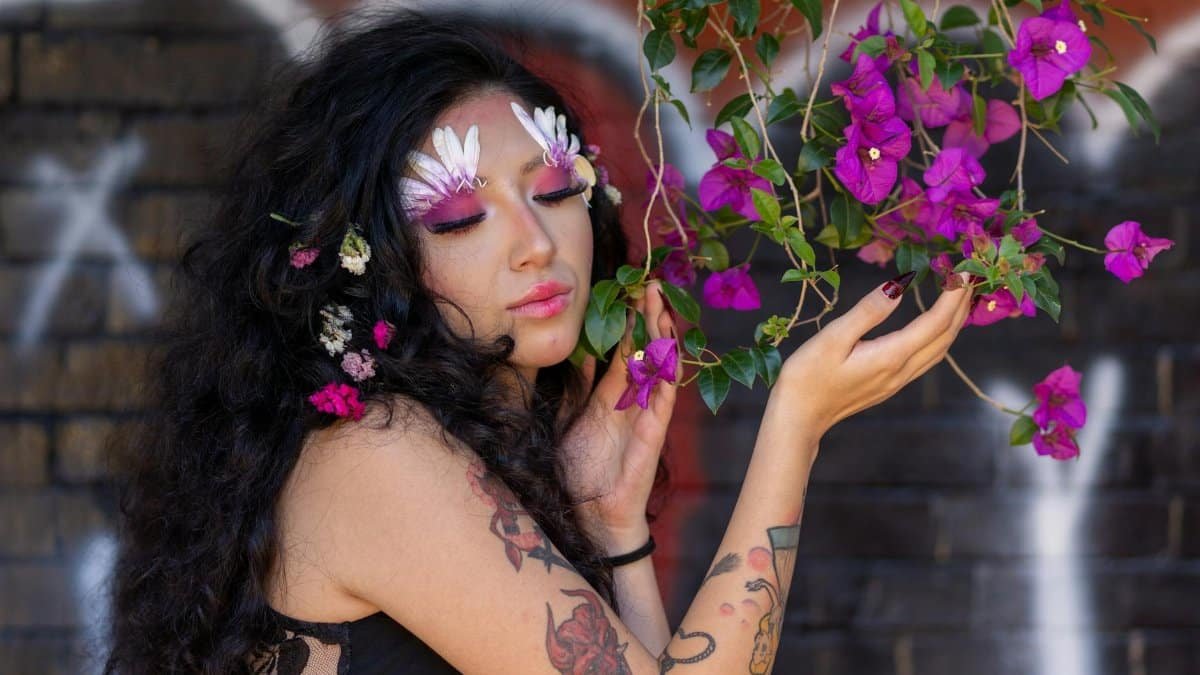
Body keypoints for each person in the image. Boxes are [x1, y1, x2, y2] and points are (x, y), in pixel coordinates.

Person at [103, 8, 975, 675]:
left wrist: (613, 529)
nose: (536, 240)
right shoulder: (373, 455)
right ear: (377, 261)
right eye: (459, 215)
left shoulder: (452, 450)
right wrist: (794, 428)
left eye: (555, 190)